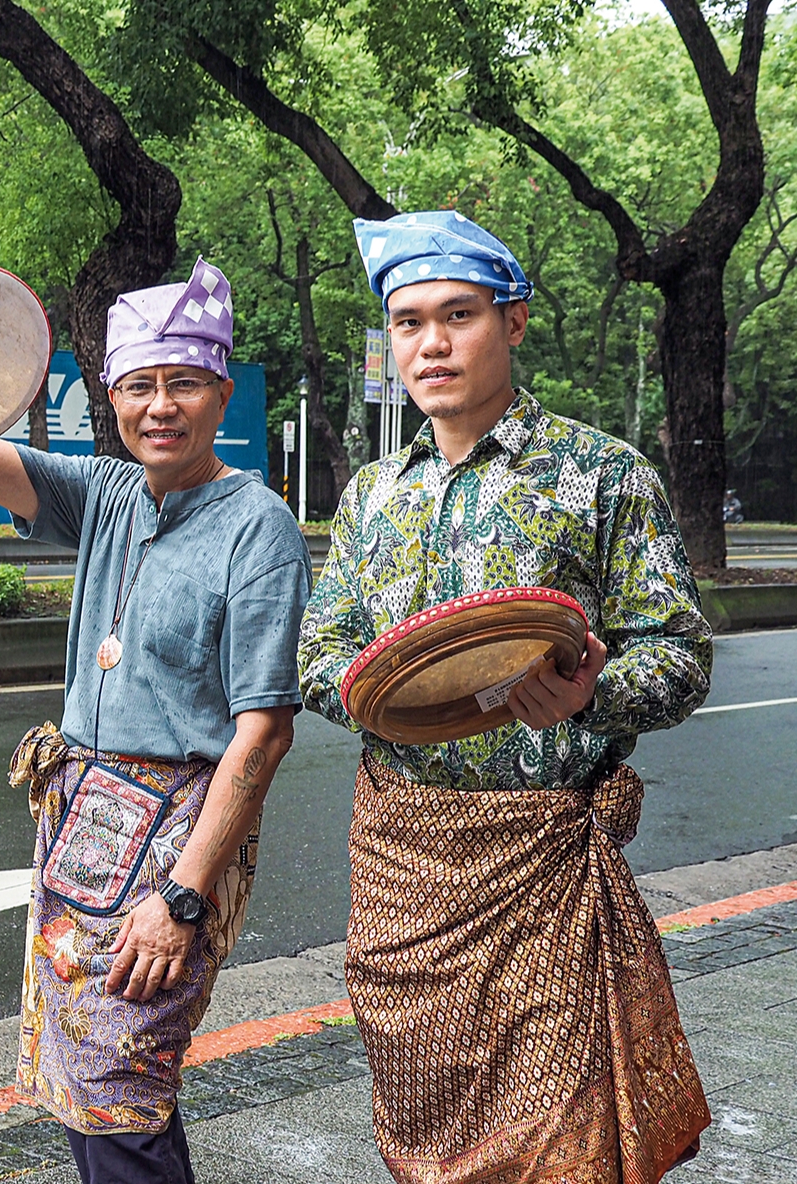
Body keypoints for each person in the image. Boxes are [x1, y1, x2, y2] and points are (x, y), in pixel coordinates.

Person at [298, 211, 713, 1181]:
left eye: (458, 314)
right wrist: (382, 696)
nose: (429, 343)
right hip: (401, 874)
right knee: (423, 1137)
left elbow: (680, 657)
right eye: (406, 322)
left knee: (554, 1147)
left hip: (543, 875)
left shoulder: (603, 475)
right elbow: (321, 647)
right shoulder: (370, 493)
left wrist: (588, 695)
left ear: (513, 322)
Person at [0, 244, 310, 1182]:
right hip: (82, 825)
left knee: (121, 1084)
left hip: (176, 836)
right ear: (112, 396)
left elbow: (264, 730)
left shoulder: (258, 526)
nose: (160, 406)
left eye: (186, 383)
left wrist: (184, 898)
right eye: (138, 386)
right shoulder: (108, 491)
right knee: (94, 1087)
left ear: (221, 391)